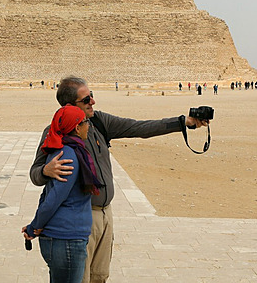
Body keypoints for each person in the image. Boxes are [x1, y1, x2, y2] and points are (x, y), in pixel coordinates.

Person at [30, 76, 207, 283]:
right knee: (81, 278)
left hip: (106, 215)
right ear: (70, 106)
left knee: (99, 277)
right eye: (86, 100)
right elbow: (35, 174)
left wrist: (183, 122)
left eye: (92, 96)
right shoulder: (55, 132)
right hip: (82, 218)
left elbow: (138, 128)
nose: (93, 102)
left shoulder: (99, 122)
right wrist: (45, 171)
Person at [23, 105, 100, 282]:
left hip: (64, 237)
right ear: (76, 127)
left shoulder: (64, 150)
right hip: (65, 241)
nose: (88, 125)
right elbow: (53, 198)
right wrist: (34, 226)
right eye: (85, 122)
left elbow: (48, 193)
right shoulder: (69, 155)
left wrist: (35, 225)